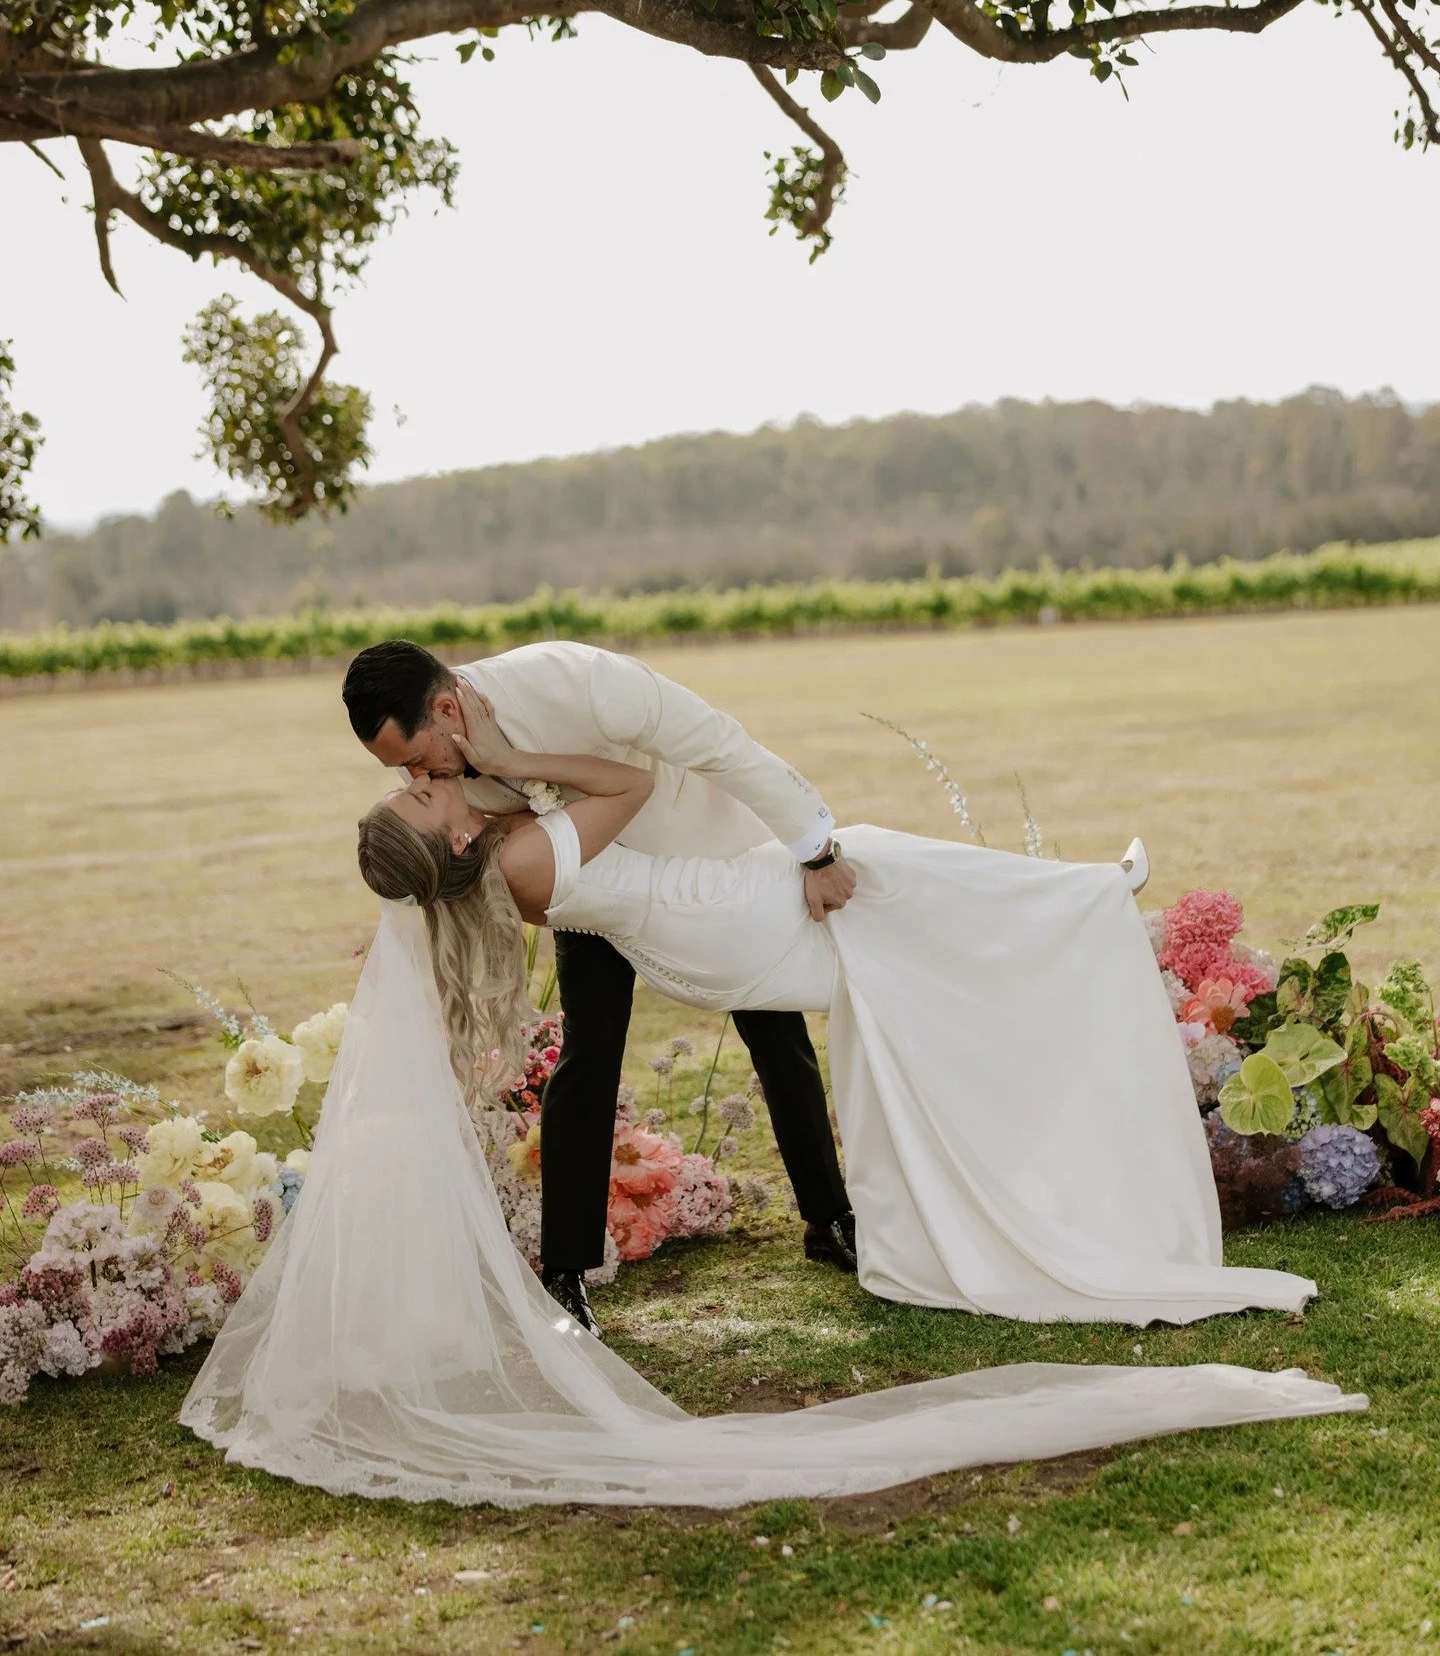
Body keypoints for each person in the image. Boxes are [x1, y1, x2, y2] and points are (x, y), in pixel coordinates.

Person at [178, 694, 1363, 1508]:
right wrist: (505, 748)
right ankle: (1093, 906)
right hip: (732, 915)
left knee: (913, 907)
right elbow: (629, 776)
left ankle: (1083, 915)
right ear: (440, 841)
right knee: (897, 864)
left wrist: (483, 775)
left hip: (715, 921)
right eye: (421, 798)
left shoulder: (495, 861)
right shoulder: (522, 854)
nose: (427, 785)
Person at [341, 638, 860, 1334]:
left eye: (412, 760)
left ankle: (828, 1216)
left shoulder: (582, 682)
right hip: (584, 888)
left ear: (444, 709)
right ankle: (566, 1272)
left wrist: (814, 848)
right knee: (589, 1054)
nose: (412, 779)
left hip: (684, 857)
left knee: (772, 1022)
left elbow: (720, 745)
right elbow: (456, 845)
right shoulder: (448, 775)